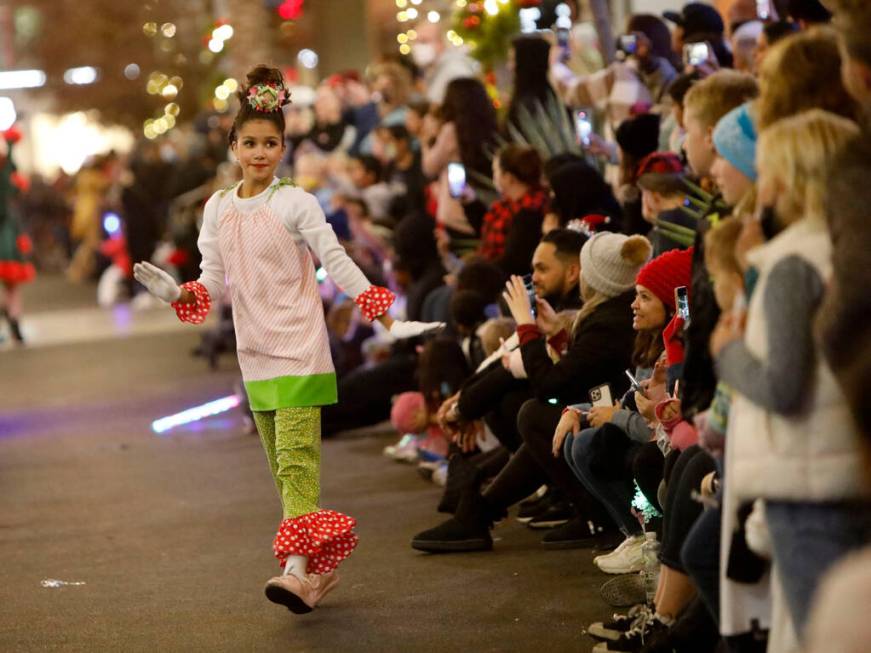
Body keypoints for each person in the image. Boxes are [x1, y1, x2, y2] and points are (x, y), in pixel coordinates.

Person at [132, 65, 441, 614]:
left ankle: (296, 571)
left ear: (283, 146)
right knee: (284, 473)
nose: (259, 152)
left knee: (298, 463)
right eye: (249, 142)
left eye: (270, 143)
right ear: (232, 144)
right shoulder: (218, 207)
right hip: (254, 356)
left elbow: (339, 263)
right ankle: (317, 573)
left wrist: (388, 319)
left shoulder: (296, 202)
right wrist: (177, 295)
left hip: (300, 347)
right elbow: (212, 285)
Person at [422, 77, 498, 238]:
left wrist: (425, 140)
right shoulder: (492, 125)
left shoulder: (452, 130)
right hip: (486, 200)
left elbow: (430, 166)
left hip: (457, 208)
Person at [0, 131, 35, 344]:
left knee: (10, 286)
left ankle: (10, 316)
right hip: (6, 233)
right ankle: (14, 320)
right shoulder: (6, 177)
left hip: (7, 232)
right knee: (11, 285)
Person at [411, 20, 480, 104]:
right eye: (416, 42)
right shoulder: (435, 70)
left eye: (424, 41)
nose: (418, 46)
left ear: (440, 42)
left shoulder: (456, 71)